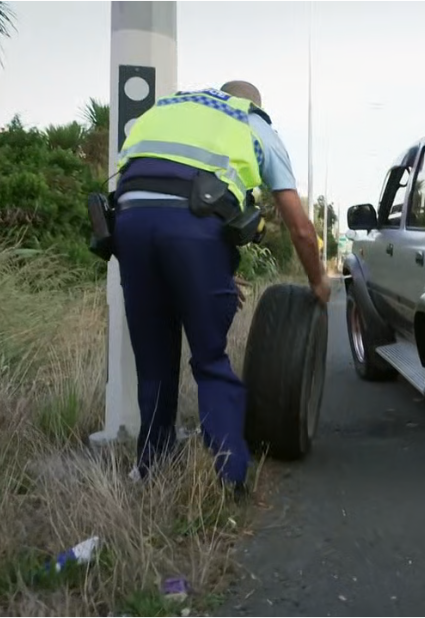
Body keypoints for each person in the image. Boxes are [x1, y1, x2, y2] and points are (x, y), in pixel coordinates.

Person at [112, 80, 330, 499]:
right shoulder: (252, 123)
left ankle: (150, 466)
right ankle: (230, 475)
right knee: (210, 357)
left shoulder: (168, 109)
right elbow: (301, 229)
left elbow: (152, 189)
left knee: (153, 361)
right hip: (192, 230)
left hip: (131, 224)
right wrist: (319, 282)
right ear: (256, 103)